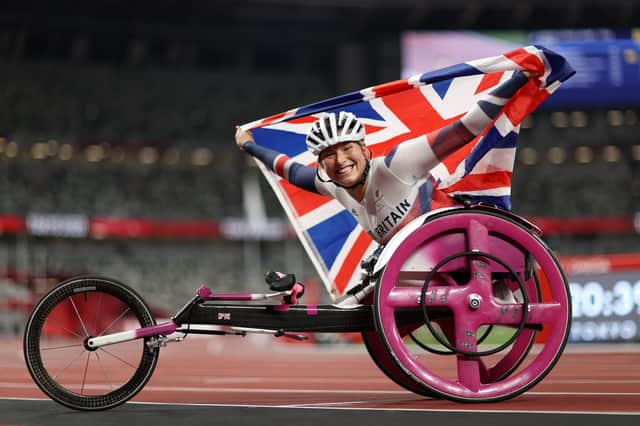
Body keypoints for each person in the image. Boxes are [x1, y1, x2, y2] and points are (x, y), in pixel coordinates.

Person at [235, 70, 535, 305]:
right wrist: (250, 146)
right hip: (417, 268)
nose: (339, 161)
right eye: (328, 155)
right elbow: (292, 170)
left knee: (364, 291)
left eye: (347, 149)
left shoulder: (398, 163)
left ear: (365, 151)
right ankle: (298, 292)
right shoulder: (334, 186)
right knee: (353, 297)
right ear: (322, 164)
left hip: (463, 251)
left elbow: (463, 129)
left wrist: (517, 81)